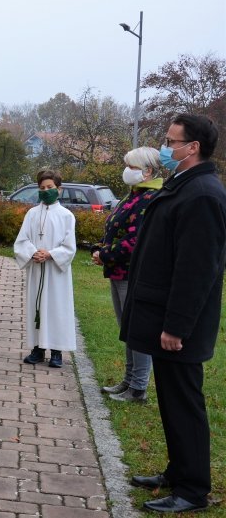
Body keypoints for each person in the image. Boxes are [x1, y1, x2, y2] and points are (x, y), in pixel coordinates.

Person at [121, 114, 225, 514]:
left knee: (185, 404)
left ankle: (193, 489)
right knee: (172, 402)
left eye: (170, 141)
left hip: (178, 325)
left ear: (192, 147)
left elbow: (197, 271)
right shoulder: (184, 185)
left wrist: (177, 326)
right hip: (164, 317)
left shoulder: (202, 194)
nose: (165, 147)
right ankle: (177, 471)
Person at [92, 147, 162, 402]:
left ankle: (138, 388)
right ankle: (129, 380)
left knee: (137, 330)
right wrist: (101, 249)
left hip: (133, 271)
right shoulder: (134, 195)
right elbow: (114, 227)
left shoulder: (150, 198)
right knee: (127, 329)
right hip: (119, 271)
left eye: (132, 167)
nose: (127, 171)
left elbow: (136, 239)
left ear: (148, 172)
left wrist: (106, 254)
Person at [13, 169, 76, 368]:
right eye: (42, 188)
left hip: (56, 272)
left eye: (50, 187)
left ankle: (56, 350)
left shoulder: (66, 216)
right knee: (36, 306)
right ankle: (38, 349)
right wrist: (33, 252)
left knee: (56, 308)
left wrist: (50, 254)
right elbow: (21, 240)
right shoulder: (32, 214)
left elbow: (69, 246)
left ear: (59, 189)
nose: (45, 190)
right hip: (36, 268)